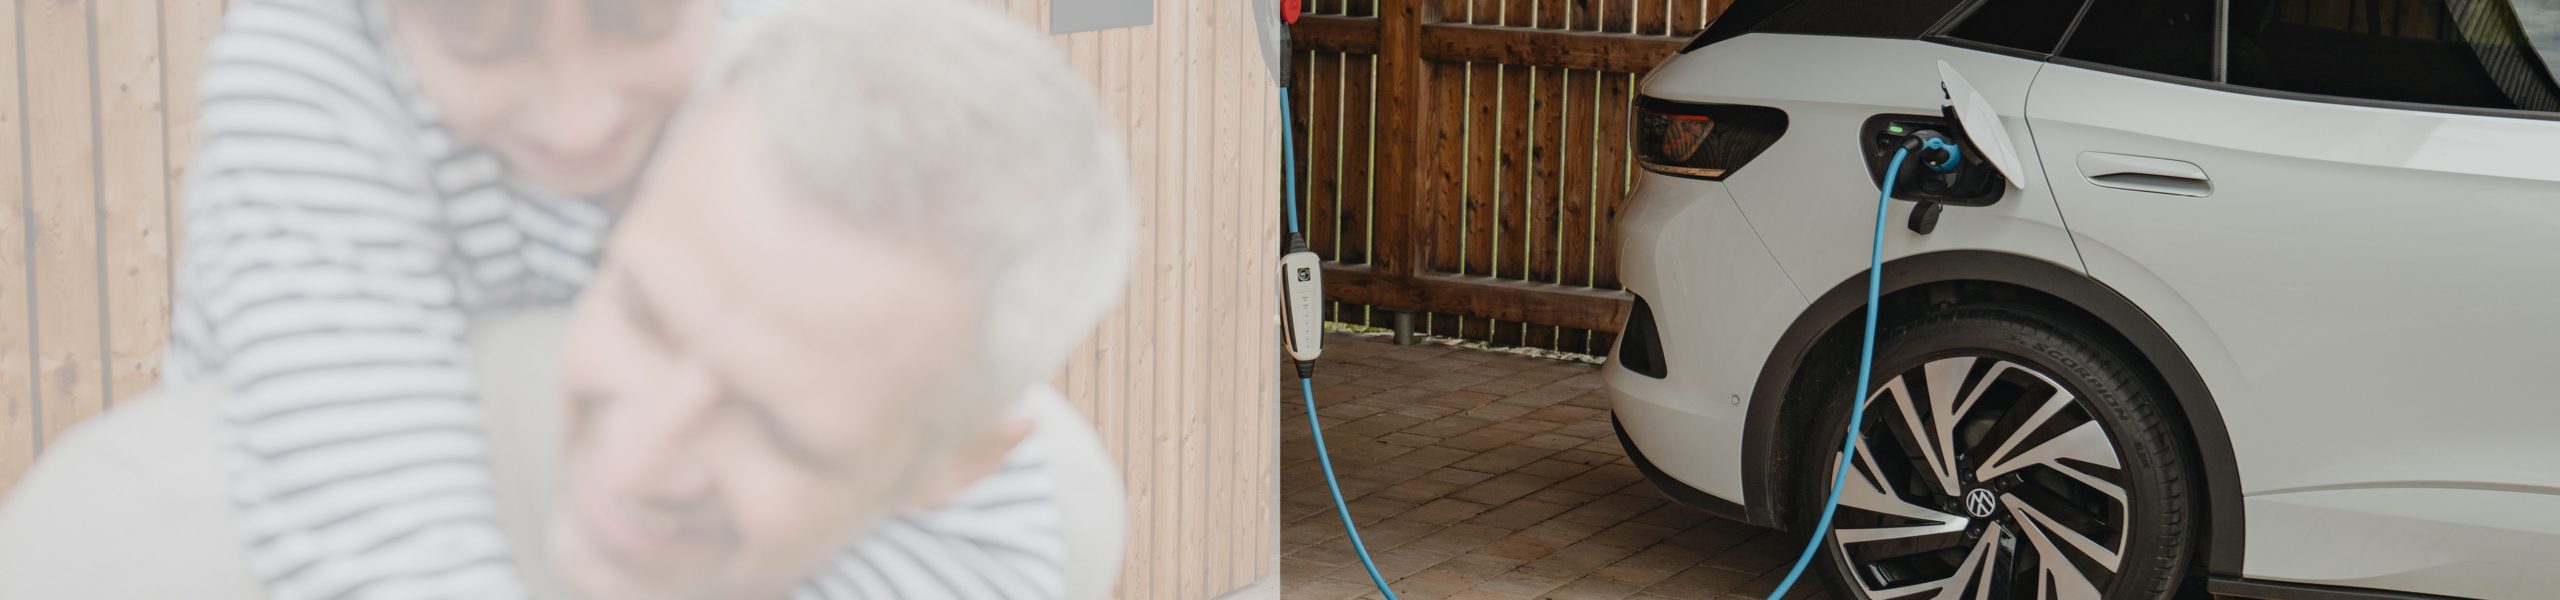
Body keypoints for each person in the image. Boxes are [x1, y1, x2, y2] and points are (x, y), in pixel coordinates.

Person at [160, 0, 1072, 596]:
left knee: (1076, 479)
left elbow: (980, 541)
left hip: (640, 530)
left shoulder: (791, 53)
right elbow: (370, 536)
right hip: (283, 515)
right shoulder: (308, 71)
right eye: (478, 38)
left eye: (635, 21)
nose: (578, 119)